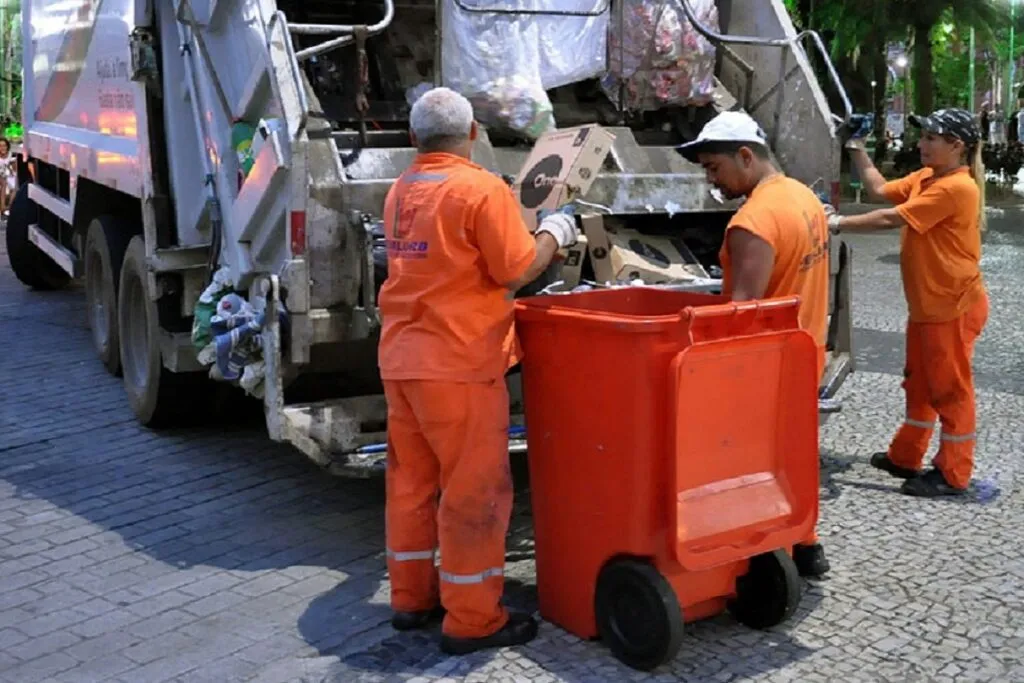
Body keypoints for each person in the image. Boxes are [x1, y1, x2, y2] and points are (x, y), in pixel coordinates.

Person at [377, 87, 579, 654]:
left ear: (414, 138)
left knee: (411, 486)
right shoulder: (480, 188)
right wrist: (554, 232)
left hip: (403, 361)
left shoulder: (401, 189)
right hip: (460, 364)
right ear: (472, 135)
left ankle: (410, 599)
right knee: (475, 495)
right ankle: (471, 620)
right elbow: (515, 267)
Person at [678, 110, 832, 578]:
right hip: (807, 352)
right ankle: (807, 544)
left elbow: (742, 311)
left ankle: (762, 552)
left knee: (755, 462)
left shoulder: (752, 222)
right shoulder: (802, 197)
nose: (712, 180)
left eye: (714, 168)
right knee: (796, 452)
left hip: (766, 366)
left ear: (746, 156)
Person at [828, 108, 989, 498]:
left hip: (951, 306)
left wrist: (834, 223)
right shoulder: (929, 177)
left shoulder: (956, 188)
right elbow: (880, 191)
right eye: (924, 136)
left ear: (957, 146)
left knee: (950, 390)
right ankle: (906, 455)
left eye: (931, 138)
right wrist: (856, 148)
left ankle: (953, 473)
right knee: (919, 383)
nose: (921, 143)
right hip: (930, 306)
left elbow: (890, 217)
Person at [0, 137, 16, 217]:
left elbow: (15, 170)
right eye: (0, 146)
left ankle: (9, 208)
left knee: (15, 186)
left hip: (11, 177)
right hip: (2, 178)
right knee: (4, 183)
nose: (2, 148)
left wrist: (12, 164)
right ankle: (3, 208)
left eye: (4, 145)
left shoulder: (12, 155)